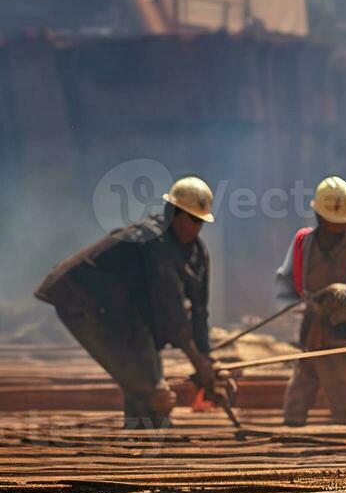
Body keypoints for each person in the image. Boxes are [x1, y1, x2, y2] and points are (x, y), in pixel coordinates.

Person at [35, 176, 221, 428]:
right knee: (149, 386)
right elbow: (171, 309)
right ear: (174, 214)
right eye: (193, 220)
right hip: (80, 299)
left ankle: (145, 431)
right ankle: (146, 420)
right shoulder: (152, 240)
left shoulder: (197, 254)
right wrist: (197, 361)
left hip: (124, 309)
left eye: (201, 222)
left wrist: (207, 360)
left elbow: (199, 312)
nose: (197, 228)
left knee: (149, 363)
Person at [274, 176, 346, 427]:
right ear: (318, 216)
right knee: (298, 394)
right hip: (312, 330)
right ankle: (288, 449)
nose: (335, 228)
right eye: (330, 223)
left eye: (340, 223)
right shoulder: (303, 244)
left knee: (342, 395)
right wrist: (296, 315)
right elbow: (285, 286)